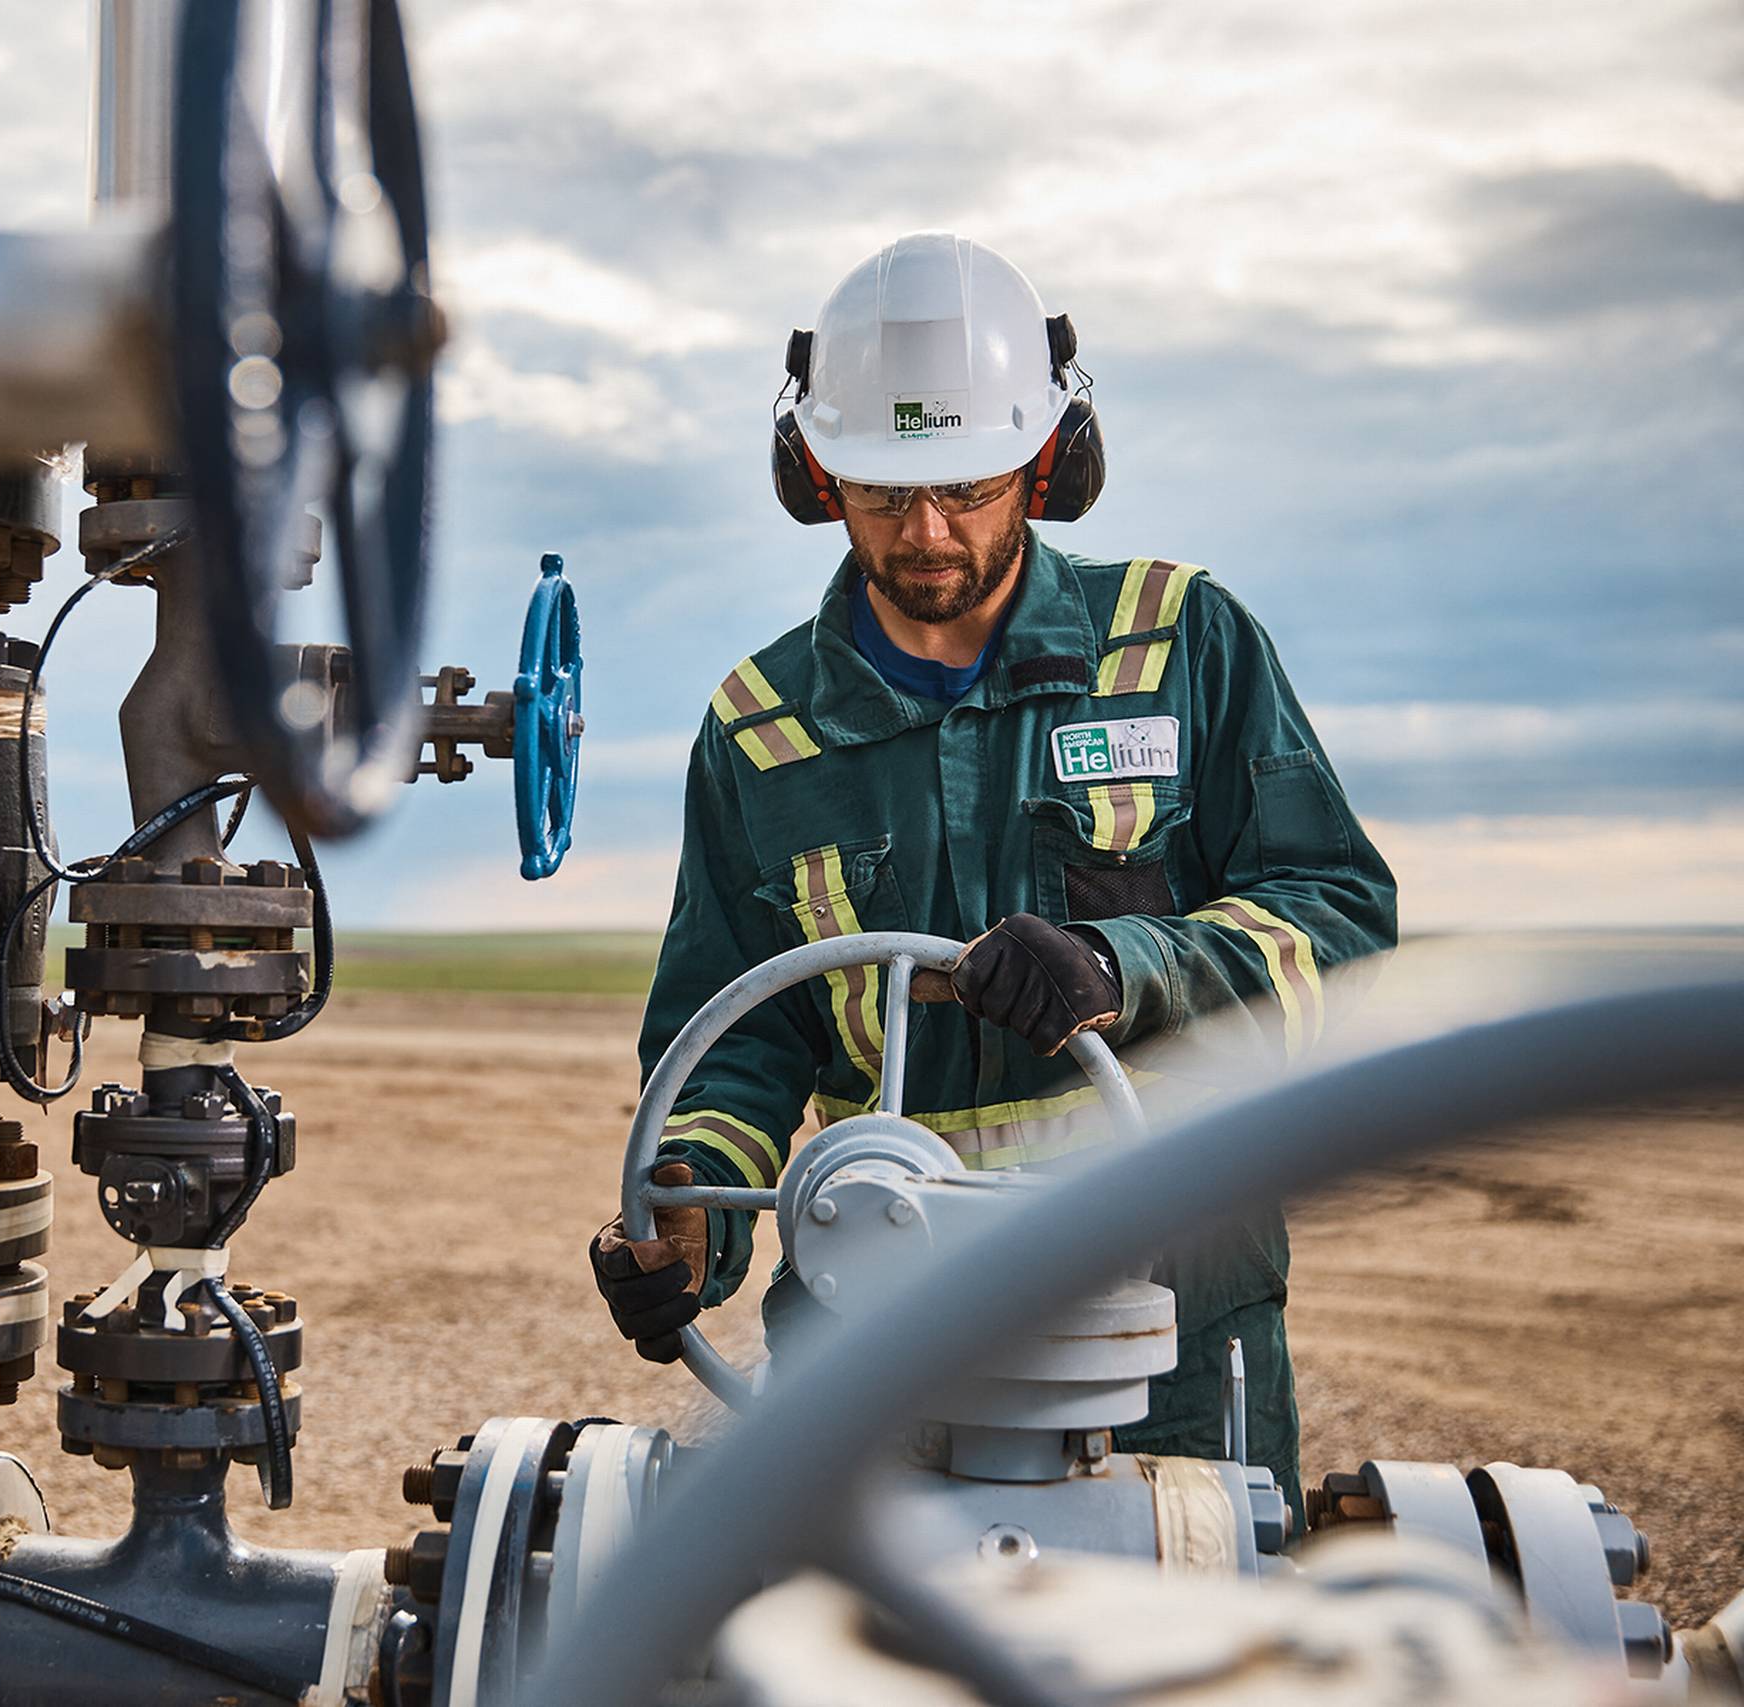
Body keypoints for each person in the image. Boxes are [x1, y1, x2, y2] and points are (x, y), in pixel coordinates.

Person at [588, 232, 1397, 1516]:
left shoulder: (1180, 643)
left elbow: (1338, 919)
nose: (924, 533)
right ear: (813, 475)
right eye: (879, 491)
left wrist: (1125, 969)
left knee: (1184, 1628)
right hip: (876, 1305)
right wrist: (694, 1211)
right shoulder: (761, 727)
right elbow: (732, 1035)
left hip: (1164, 1299)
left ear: (1046, 461)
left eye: (967, 485)